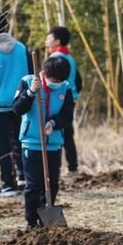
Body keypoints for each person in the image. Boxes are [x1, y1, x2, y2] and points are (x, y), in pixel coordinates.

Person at [13, 56, 74, 228]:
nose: (56, 85)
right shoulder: (27, 81)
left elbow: (67, 115)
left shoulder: (66, 88)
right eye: (53, 82)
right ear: (45, 74)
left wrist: (53, 123)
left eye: (59, 82)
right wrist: (31, 92)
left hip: (53, 145)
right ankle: (31, 222)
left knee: (52, 184)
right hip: (31, 145)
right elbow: (17, 108)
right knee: (33, 186)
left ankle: (45, 220)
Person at [0, 12, 32, 197]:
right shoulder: (21, 48)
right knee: (21, 141)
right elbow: (31, 75)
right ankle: (25, 177)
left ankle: (8, 184)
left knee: (4, 145)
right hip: (21, 103)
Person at [45, 27, 82, 175]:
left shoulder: (55, 58)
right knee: (67, 132)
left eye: (49, 38)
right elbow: (79, 80)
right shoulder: (70, 58)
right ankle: (73, 167)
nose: (46, 41)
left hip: (57, 98)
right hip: (70, 98)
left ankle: (56, 167)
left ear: (57, 41)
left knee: (57, 131)